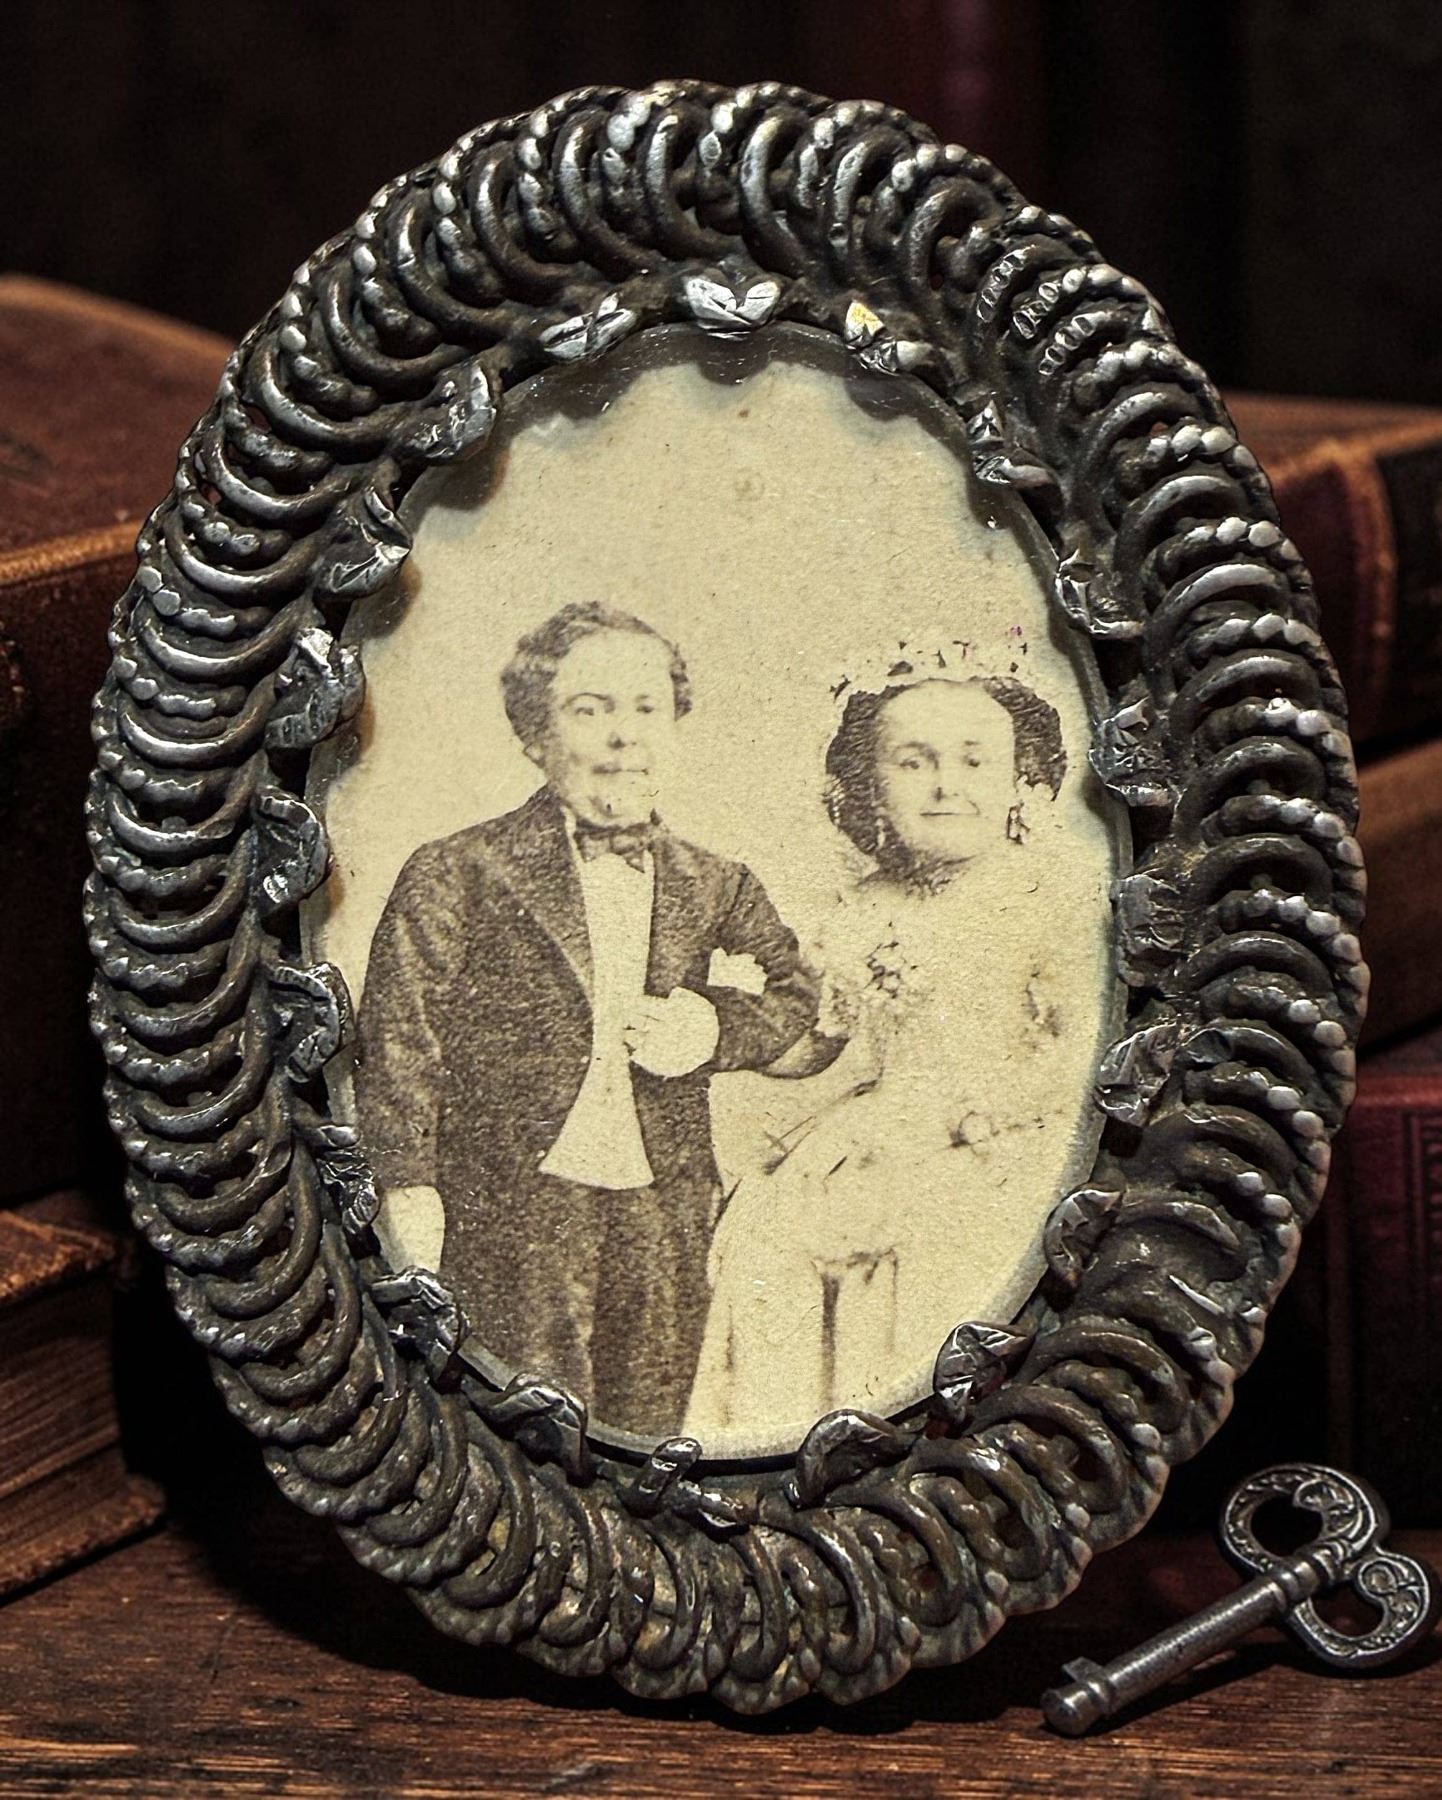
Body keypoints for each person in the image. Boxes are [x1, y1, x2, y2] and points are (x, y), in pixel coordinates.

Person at [355, 601, 820, 1437]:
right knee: (526, 1420)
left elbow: (798, 991)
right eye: (589, 710)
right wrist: (407, 1184)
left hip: (664, 1205)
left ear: (675, 727)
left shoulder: (717, 880)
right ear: (534, 735)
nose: (622, 736)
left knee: (648, 1429)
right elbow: (400, 1040)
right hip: (515, 1204)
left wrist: (713, 1030)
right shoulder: (458, 870)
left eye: (646, 709)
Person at [687, 666, 1070, 1445]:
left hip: (994, 1140)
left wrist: (994, 1111)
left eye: (974, 761)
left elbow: (1074, 1053)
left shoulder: (1042, 901)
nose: (946, 785)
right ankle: (788, 1445)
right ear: (869, 788)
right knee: (769, 1228)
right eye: (914, 761)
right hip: (872, 1130)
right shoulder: (864, 908)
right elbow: (818, 1044)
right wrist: (717, 1036)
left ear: (1019, 781)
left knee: (935, 1246)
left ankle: (929, 1447)